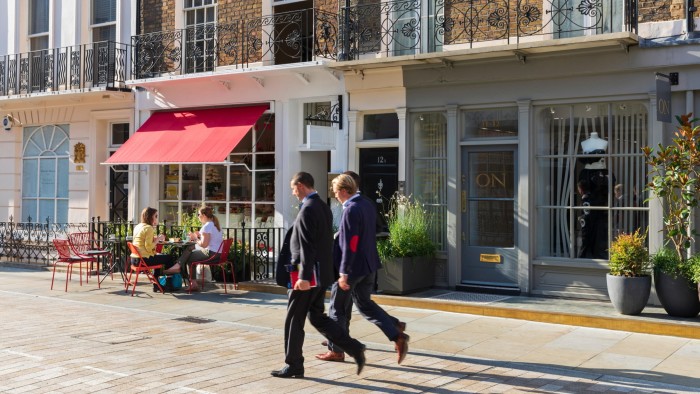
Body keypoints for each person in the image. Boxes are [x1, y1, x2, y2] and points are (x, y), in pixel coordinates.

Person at [271, 172, 366, 379]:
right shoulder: (323, 206)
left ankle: (294, 364)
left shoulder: (308, 208)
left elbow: (307, 245)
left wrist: (304, 277)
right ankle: (354, 347)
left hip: (306, 276)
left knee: (294, 320)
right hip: (320, 274)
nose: (293, 192)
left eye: (293, 188)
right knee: (317, 317)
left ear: (302, 185)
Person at [317, 174, 409, 365]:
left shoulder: (351, 209)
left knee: (337, 308)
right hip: (369, 265)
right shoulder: (366, 204)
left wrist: (344, 272)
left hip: (353, 268)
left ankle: (336, 351)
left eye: (335, 192)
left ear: (343, 191)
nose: (335, 196)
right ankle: (396, 334)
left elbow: (351, 244)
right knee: (365, 304)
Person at [166, 205, 223, 292]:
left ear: (203, 215)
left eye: (198, 214)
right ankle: (180, 268)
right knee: (190, 249)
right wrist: (199, 235)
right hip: (219, 254)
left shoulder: (207, 226)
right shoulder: (215, 225)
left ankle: (183, 272)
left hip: (211, 254)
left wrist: (195, 238)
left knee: (189, 257)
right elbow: (209, 239)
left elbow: (204, 245)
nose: (198, 216)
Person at [131, 207, 177, 287]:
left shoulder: (138, 226)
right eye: (155, 216)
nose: (156, 218)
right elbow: (148, 247)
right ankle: (169, 284)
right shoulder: (149, 228)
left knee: (158, 256)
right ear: (150, 217)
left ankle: (157, 284)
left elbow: (142, 240)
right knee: (169, 257)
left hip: (135, 259)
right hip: (144, 260)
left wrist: (154, 238)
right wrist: (157, 239)